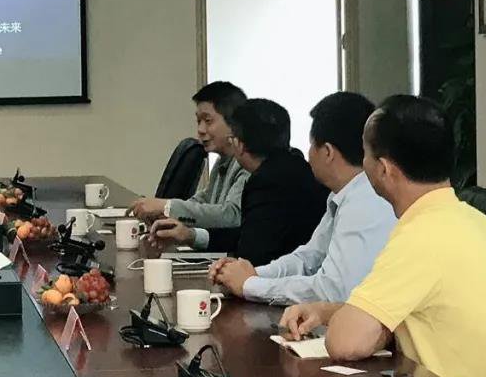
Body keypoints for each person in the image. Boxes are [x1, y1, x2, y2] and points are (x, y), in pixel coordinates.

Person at [280, 96, 486, 377]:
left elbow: (346, 342)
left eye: (365, 154)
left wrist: (357, 325)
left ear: (383, 169)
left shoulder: (421, 234)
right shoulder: (477, 222)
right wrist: (328, 311)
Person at [210, 92, 396, 303]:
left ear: (327, 152)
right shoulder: (343, 194)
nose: (308, 154)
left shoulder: (365, 202)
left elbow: (332, 290)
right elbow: (309, 258)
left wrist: (250, 285)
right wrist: (251, 274)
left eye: (311, 144)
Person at [148, 98, 328, 261]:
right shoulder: (291, 167)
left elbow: (251, 254)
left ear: (240, 145)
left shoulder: (265, 182)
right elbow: (248, 234)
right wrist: (190, 235)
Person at [133, 82, 249, 247]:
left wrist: (166, 206)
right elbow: (205, 199)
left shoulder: (247, 162)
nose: (200, 129)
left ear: (233, 124)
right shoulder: (223, 159)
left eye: (208, 121)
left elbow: (231, 216)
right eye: (198, 121)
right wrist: (165, 213)